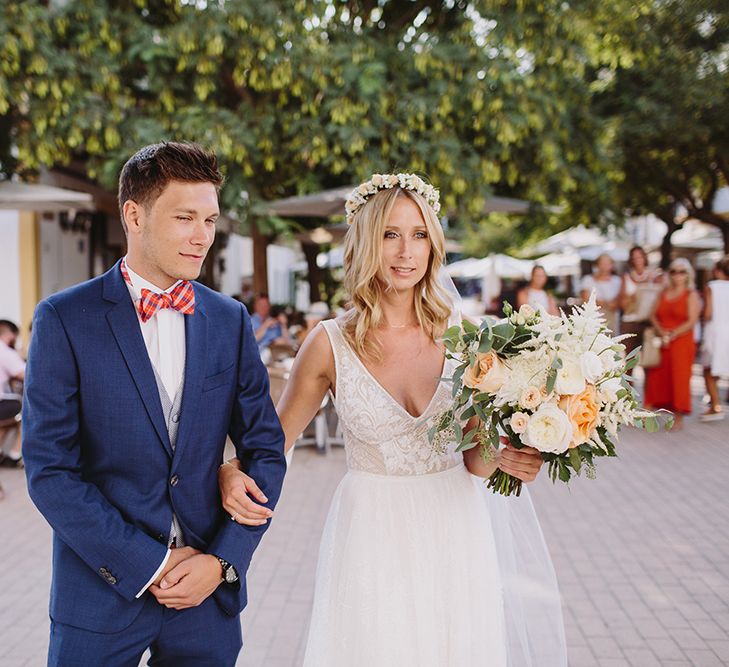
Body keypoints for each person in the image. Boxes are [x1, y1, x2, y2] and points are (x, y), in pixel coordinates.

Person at [219, 174, 567, 666]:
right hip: (372, 531)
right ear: (366, 243)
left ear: (433, 245)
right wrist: (231, 469)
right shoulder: (327, 343)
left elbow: (476, 461)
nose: (406, 251)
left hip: (455, 526)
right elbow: (274, 443)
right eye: (390, 234)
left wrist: (513, 452)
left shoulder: (467, 338)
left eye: (419, 234)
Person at [23, 142, 286, 666]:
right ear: (134, 215)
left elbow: (266, 450)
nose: (202, 236)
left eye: (209, 219)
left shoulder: (229, 320)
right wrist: (150, 562)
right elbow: (50, 470)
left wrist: (223, 561)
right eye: (185, 217)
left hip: (206, 603)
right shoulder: (64, 318)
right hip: (100, 598)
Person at [643, 257, 701, 430]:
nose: (677, 275)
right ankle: (648, 412)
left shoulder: (691, 295)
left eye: (682, 271)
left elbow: (692, 320)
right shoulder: (663, 293)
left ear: (688, 275)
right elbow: (653, 315)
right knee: (656, 377)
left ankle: (678, 415)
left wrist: (674, 333)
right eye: (674, 271)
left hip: (681, 341)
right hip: (663, 341)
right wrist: (661, 331)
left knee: (679, 378)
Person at [619, 246, 664, 361]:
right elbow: (622, 303)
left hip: (648, 321)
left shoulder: (654, 276)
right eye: (634, 258)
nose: (637, 260)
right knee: (629, 359)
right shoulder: (626, 278)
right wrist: (633, 298)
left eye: (639, 257)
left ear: (644, 258)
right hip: (630, 321)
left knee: (649, 358)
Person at [699, 256, 729, 421]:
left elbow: (708, 313)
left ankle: (715, 405)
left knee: (708, 370)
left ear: (718, 270)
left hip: (715, 331)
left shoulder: (712, 287)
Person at [0, 319, 25, 469]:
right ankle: (16, 455)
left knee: (12, 418)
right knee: (28, 408)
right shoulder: (4, 351)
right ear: (9, 335)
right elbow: (27, 374)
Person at [581, 253, 622, 333]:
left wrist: (601, 303)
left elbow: (619, 300)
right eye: (602, 263)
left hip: (612, 320)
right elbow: (586, 301)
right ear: (597, 265)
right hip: (594, 321)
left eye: (608, 263)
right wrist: (607, 304)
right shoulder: (588, 280)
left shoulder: (617, 280)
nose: (605, 266)